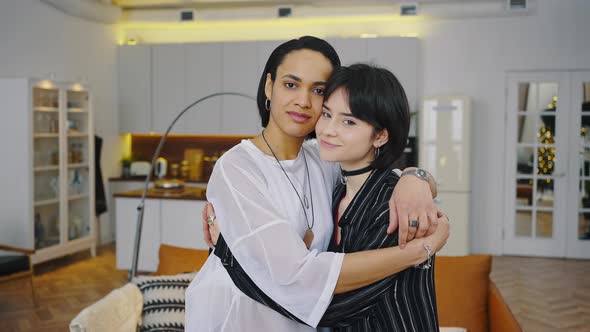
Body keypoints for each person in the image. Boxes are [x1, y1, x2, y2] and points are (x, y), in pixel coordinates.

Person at [185, 36, 448, 332]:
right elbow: (294, 277)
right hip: (239, 317)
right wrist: (417, 252)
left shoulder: (323, 157)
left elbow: (375, 175)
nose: (303, 101)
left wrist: (416, 178)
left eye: (318, 90)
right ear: (269, 86)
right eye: (291, 84)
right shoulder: (238, 168)